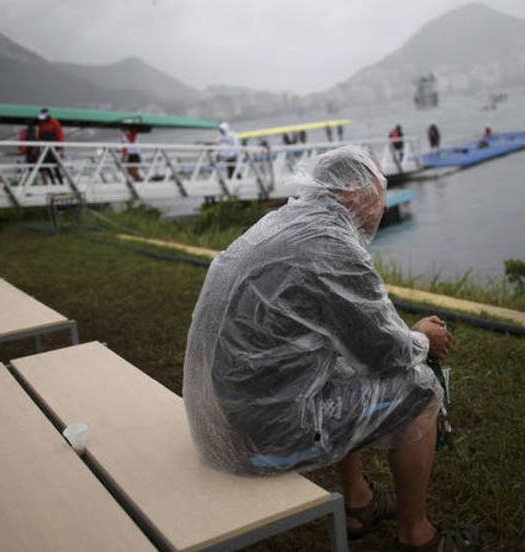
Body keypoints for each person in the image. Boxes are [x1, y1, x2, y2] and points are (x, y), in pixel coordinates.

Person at [183, 146, 481, 551]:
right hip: (260, 442)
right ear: (354, 194)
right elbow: (386, 351)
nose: (382, 205)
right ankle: (419, 536)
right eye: (380, 192)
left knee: (337, 359)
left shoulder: (286, 221)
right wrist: (424, 338)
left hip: (221, 419)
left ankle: (359, 503)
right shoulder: (331, 244)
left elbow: (352, 337)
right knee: (421, 388)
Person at [36, 108, 64, 184]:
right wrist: (38, 146)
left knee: (56, 166)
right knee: (46, 164)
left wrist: (61, 149)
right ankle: (53, 181)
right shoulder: (41, 124)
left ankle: (61, 183)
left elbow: (60, 136)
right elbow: (39, 135)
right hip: (45, 147)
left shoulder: (54, 123)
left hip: (54, 147)